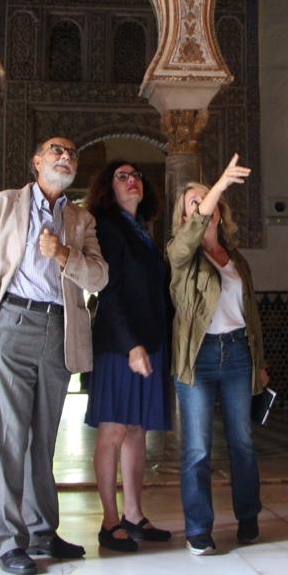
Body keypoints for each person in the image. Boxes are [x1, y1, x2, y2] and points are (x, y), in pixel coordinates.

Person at [0, 136, 108, 575]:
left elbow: (99, 277)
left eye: (72, 154)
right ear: (37, 161)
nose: (66, 157)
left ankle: (43, 530)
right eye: (56, 151)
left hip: (60, 332)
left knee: (43, 438)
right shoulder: (0, 205)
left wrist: (64, 254)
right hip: (12, 325)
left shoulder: (80, 218)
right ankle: (7, 541)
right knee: (6, 438)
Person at [167, 154, 269, 556]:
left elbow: (251, 314)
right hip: (199, 357)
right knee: (197, 448)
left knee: (243, 442)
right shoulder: (181, 256)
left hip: (239, 353)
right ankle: (198, 529)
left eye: (207, 200)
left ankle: (248, 517)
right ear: (184, 216)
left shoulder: (236, 259)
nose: (202, 205)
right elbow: (188, 240)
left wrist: (259, 363)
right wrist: (220, 183)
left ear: (219, 213)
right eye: (194, 202)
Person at [83, 160, 173, 553]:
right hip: (121, 345)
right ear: (109, 187)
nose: (132, 180)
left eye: (136, 175)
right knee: (115, 429)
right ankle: (110, 521)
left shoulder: (143, 232)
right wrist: (131, 344)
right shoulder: (108, 227)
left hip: (149, 341)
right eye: (122, 176)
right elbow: (109, 291)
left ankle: (135, 515)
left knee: (137, 430)